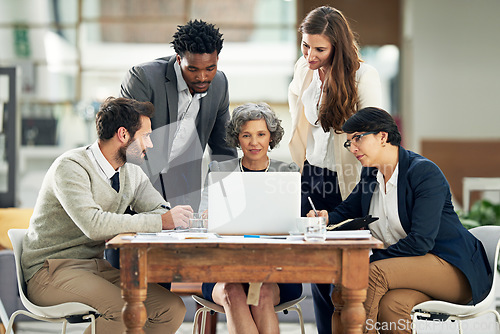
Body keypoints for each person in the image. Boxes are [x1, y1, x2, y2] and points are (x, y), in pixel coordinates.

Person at [307, 107, 492, 334]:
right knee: (391, 306)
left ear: (382, 136)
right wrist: (325, 218)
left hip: (452, 268)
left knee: (371, 274)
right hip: (410, 267)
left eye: (357, 138)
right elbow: (347, 210)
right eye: (349, 142)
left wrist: (372, 258)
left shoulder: (423, 173)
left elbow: (420, 242)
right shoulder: (370, 173)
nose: (352, 148)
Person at [22, 97, 193, 334]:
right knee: (124, 311)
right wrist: (159, 222)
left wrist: (165, 218)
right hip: (50, 271)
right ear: (123, 135)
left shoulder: (131, 172)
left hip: (95, 267)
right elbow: (93, 224)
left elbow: (160, 209)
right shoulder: (71, 167)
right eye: (146, 136)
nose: (150, 144)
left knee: (171, 307)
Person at [287, 6, 382, 332]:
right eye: (305, 45)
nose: (310, 54)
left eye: (319, 49)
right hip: (311, 176)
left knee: (342, 275)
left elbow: (376, 137)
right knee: (317, 270)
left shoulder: (363, 76)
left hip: (348, 180)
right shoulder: (304, 68)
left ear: (337, 47)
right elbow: (301, 126)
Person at [200, 102, 303, 334]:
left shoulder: (287, 172)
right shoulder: (220, 170)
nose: (254, 142)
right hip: (223, 269)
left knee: (262, 292)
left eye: (261, 134)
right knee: (232, 291)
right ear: (237, 138)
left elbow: (294, 225)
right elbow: (202, 218)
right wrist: (207, 217)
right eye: (246, 135)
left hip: (275, 271)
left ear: (271, 137)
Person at [120, 19, 237, 211]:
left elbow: (223, 149)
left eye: (210, 68)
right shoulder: (143, 79)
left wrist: (223, 201)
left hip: (185, 188)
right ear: (179, 59)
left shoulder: (220, 84)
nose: (202, 77)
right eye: (193, 69)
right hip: (140, 181)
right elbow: (127, 143)